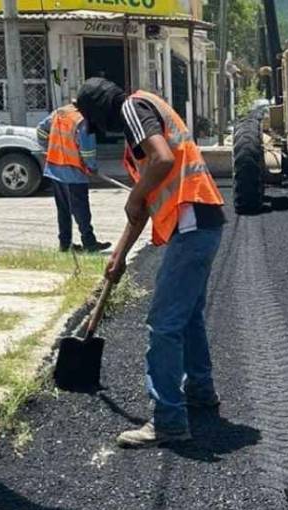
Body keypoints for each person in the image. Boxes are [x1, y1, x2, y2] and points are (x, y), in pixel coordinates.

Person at [75, 78, 226, 449]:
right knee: (187, 316)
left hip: (191, 223)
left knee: (164, 324)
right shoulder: (141, 128)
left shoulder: (133, 109)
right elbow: (140, 207)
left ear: (102, 111)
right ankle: (201, 391)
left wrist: (137, 193)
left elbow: (163, 160)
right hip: (202, 223)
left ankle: (169, 421)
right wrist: (120, 255)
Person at [36, 103, 110, 253]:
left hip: (55, 169)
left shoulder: (60, 112)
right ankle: (89, 244)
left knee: (63, 210)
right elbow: (88, 151)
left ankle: (65, 244)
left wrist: (47, 149)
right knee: (81, 211)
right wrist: (92, 167)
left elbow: (40, 131)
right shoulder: (82, 121)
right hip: (73, 173)